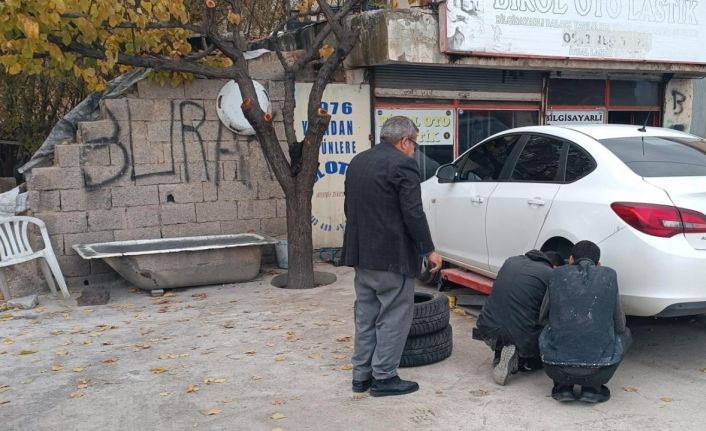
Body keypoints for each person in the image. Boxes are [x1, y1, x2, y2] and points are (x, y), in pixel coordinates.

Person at [342, 116, 442, 397]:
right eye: (415, 144)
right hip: (391, 258)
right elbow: (413, 212)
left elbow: (349, 207)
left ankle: (361, 376)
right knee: (394, 316)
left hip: (362, 255)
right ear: (404, 141)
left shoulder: (359, 161)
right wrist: (428, 249)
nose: (414, 151)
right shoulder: (403, 164)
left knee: (366, 316)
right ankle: (384, 378)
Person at [539, 240, 631, 403]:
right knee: (626, 334)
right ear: (599, 264)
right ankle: (593, 389)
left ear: (571, 259)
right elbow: (620, 324)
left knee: (546, 330)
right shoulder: (609, 276)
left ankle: (562, 387)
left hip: (556, 367)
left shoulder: (556, 274)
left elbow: (542, 317)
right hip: (600, 370)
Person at [472, 250, 564, 385]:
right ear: (555, 266)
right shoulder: (550, 274)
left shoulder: (511, 261)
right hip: (520, 334)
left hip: (487, 326)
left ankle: (499, 354)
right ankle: (522, 362)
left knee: (510, 313)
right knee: (549, 323)